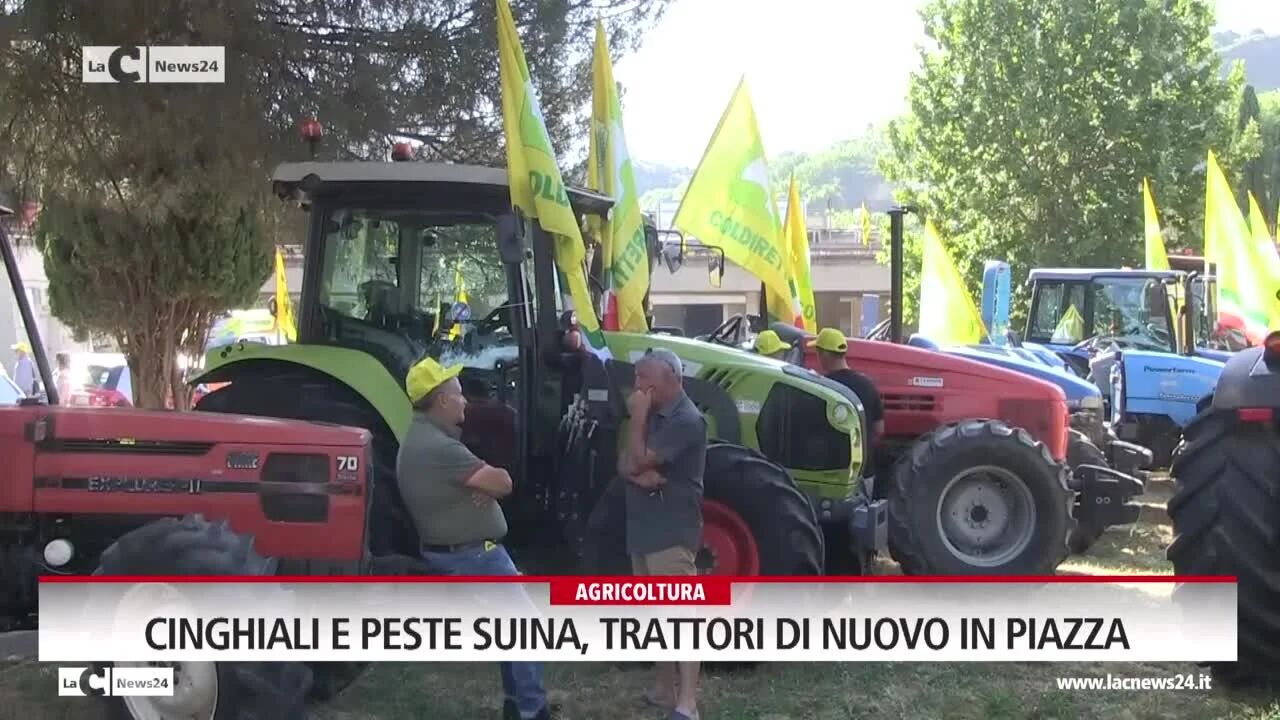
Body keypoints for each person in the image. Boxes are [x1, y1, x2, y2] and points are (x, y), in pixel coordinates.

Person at [396, 356, 554, 720]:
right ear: (442, 401)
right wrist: (489, 483)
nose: (465, 400)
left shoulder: (424, 438)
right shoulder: (440, 448)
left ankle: (516, 705)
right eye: (459, 393)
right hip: (473, 556)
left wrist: (481, 484)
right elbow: (504, 483)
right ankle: (533, 710)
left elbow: (488, 482)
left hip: (466, 552)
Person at [619, 347, 707, 720]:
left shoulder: (686, 419)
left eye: (645, 381)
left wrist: (637, 417)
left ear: (672, 380)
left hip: (671, 531)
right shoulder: (652, 415)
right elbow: (623, 462)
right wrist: (639, 474)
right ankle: (664, 690)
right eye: (637, 379)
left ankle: (688, 704)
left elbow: (636, 458)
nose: (638, 388)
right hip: (643, 529)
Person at [809, 328, 885, 472]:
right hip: (864, 469)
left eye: (817, 353)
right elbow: (879, 429)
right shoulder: (868, 384)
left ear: (824, 354)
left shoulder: (823, 388)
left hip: (832, 471)